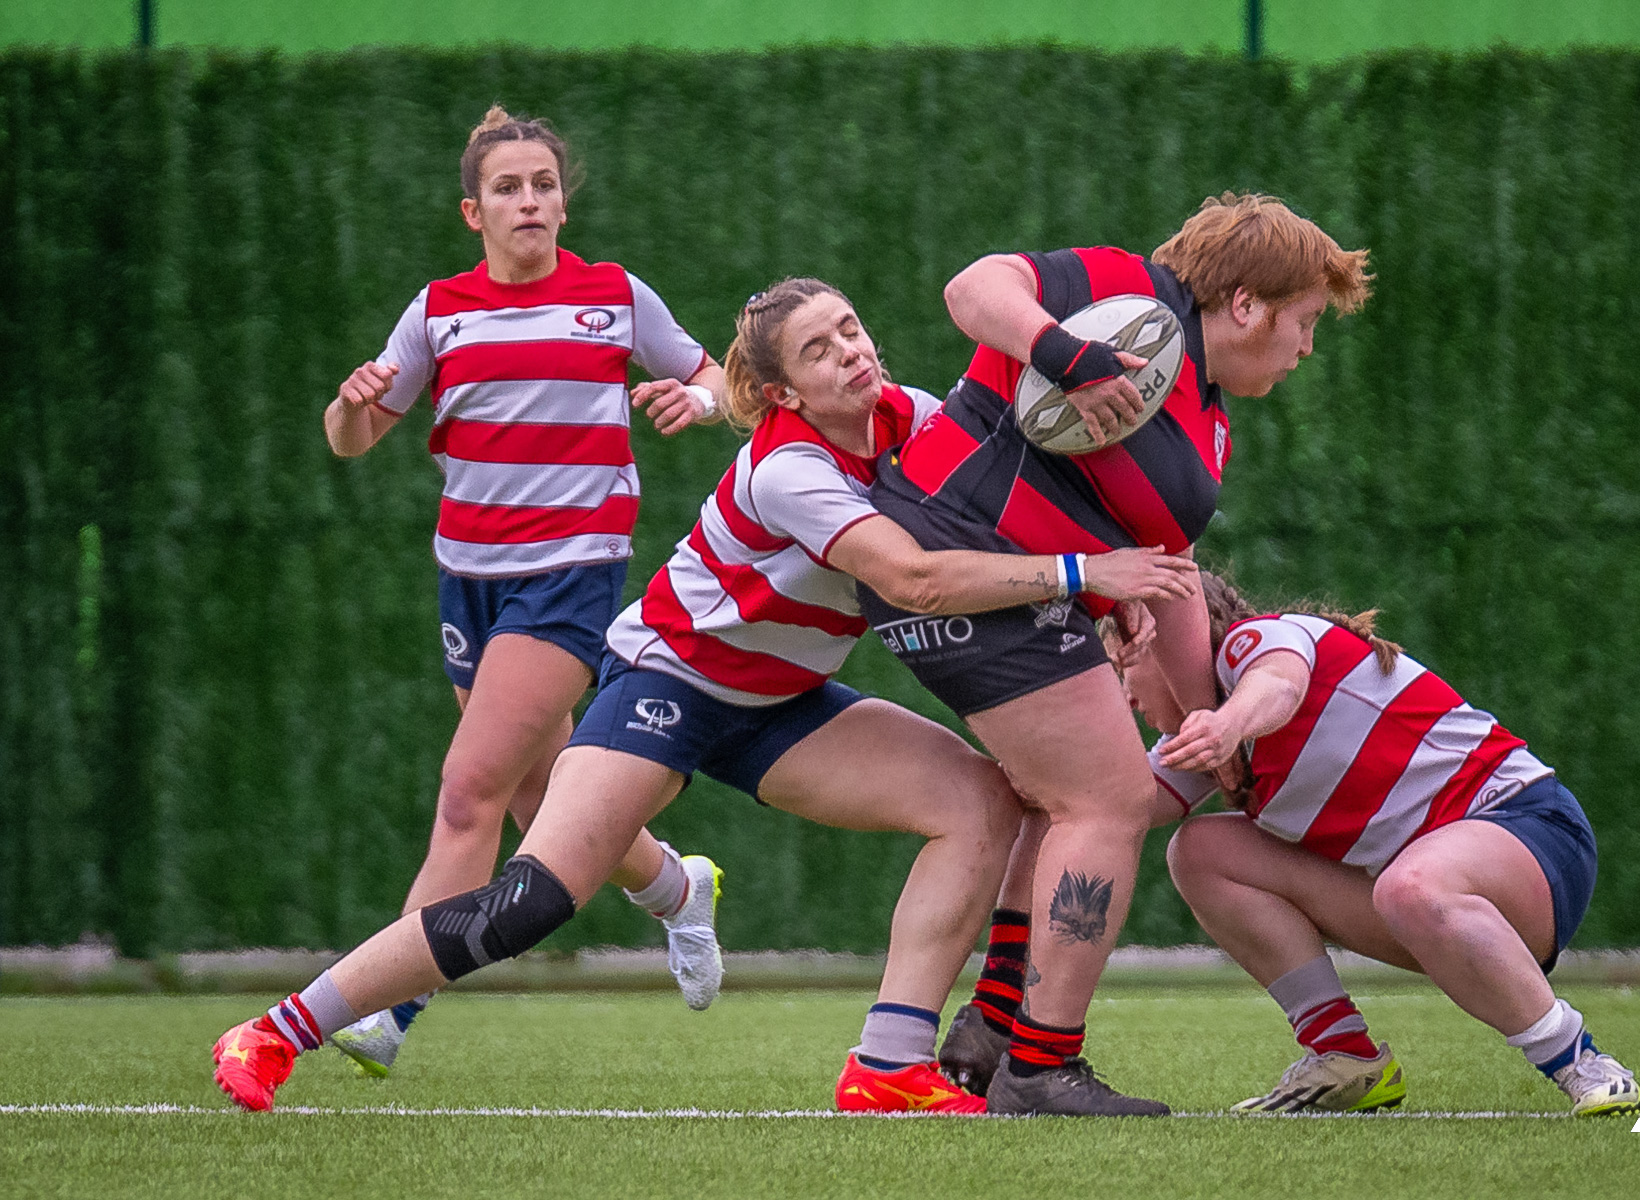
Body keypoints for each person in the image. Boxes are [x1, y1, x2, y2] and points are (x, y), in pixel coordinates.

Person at [211, 278, 1201, 1114]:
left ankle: (889, 1067)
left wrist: (1099, 594)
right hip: (669, 683)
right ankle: (274, 1031)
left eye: (850, 329)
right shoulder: (790, 470)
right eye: (820, 351)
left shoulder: (911, 415)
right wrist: (1086, 576)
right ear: (781, 393)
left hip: (780, 700)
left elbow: (990, 525)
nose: (851, 353)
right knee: (531, 901)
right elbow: (915, 582)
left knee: (981, 800)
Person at [863, 194, 1372, 1114]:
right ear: (1247, 303)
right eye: (1303, 323)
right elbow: (976, 286)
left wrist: (1201, 722)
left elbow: (1168, 579)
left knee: (1053, 799)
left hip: (1019, 591)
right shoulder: (1140, 292)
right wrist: (1066, 355)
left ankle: (992, 1026)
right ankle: (1041, 1065)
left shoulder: (1208, 416)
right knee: (1108, 800)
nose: (1305, 349)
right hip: (956, 563)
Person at [318, 105, 730, 1075]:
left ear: (562, 199)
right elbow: (356, 436)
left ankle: (392, 1003)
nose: (530, 201)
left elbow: (718, 376)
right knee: (541, 793)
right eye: (508, 188)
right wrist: (346, 407)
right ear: (475, 212)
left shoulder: (615, 297)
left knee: (469, 793)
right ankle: (676, 887)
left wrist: (701, 398)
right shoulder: (438, 310)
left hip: (571, 578)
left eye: (543, 184)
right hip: (467, 580)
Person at [1149, 571, 1640, 1117]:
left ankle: (1582, 1060)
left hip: (1531, 832)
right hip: (1423, 898)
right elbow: (1111, 810)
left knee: (1409, 885)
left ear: (1165, 643)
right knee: (1200, 851)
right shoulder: (1204, 741)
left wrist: (1228, 724)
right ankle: (1343, 1057)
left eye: (1122, 663)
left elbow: (1279, 687)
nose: (1121, 692)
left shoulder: (1258, 640)